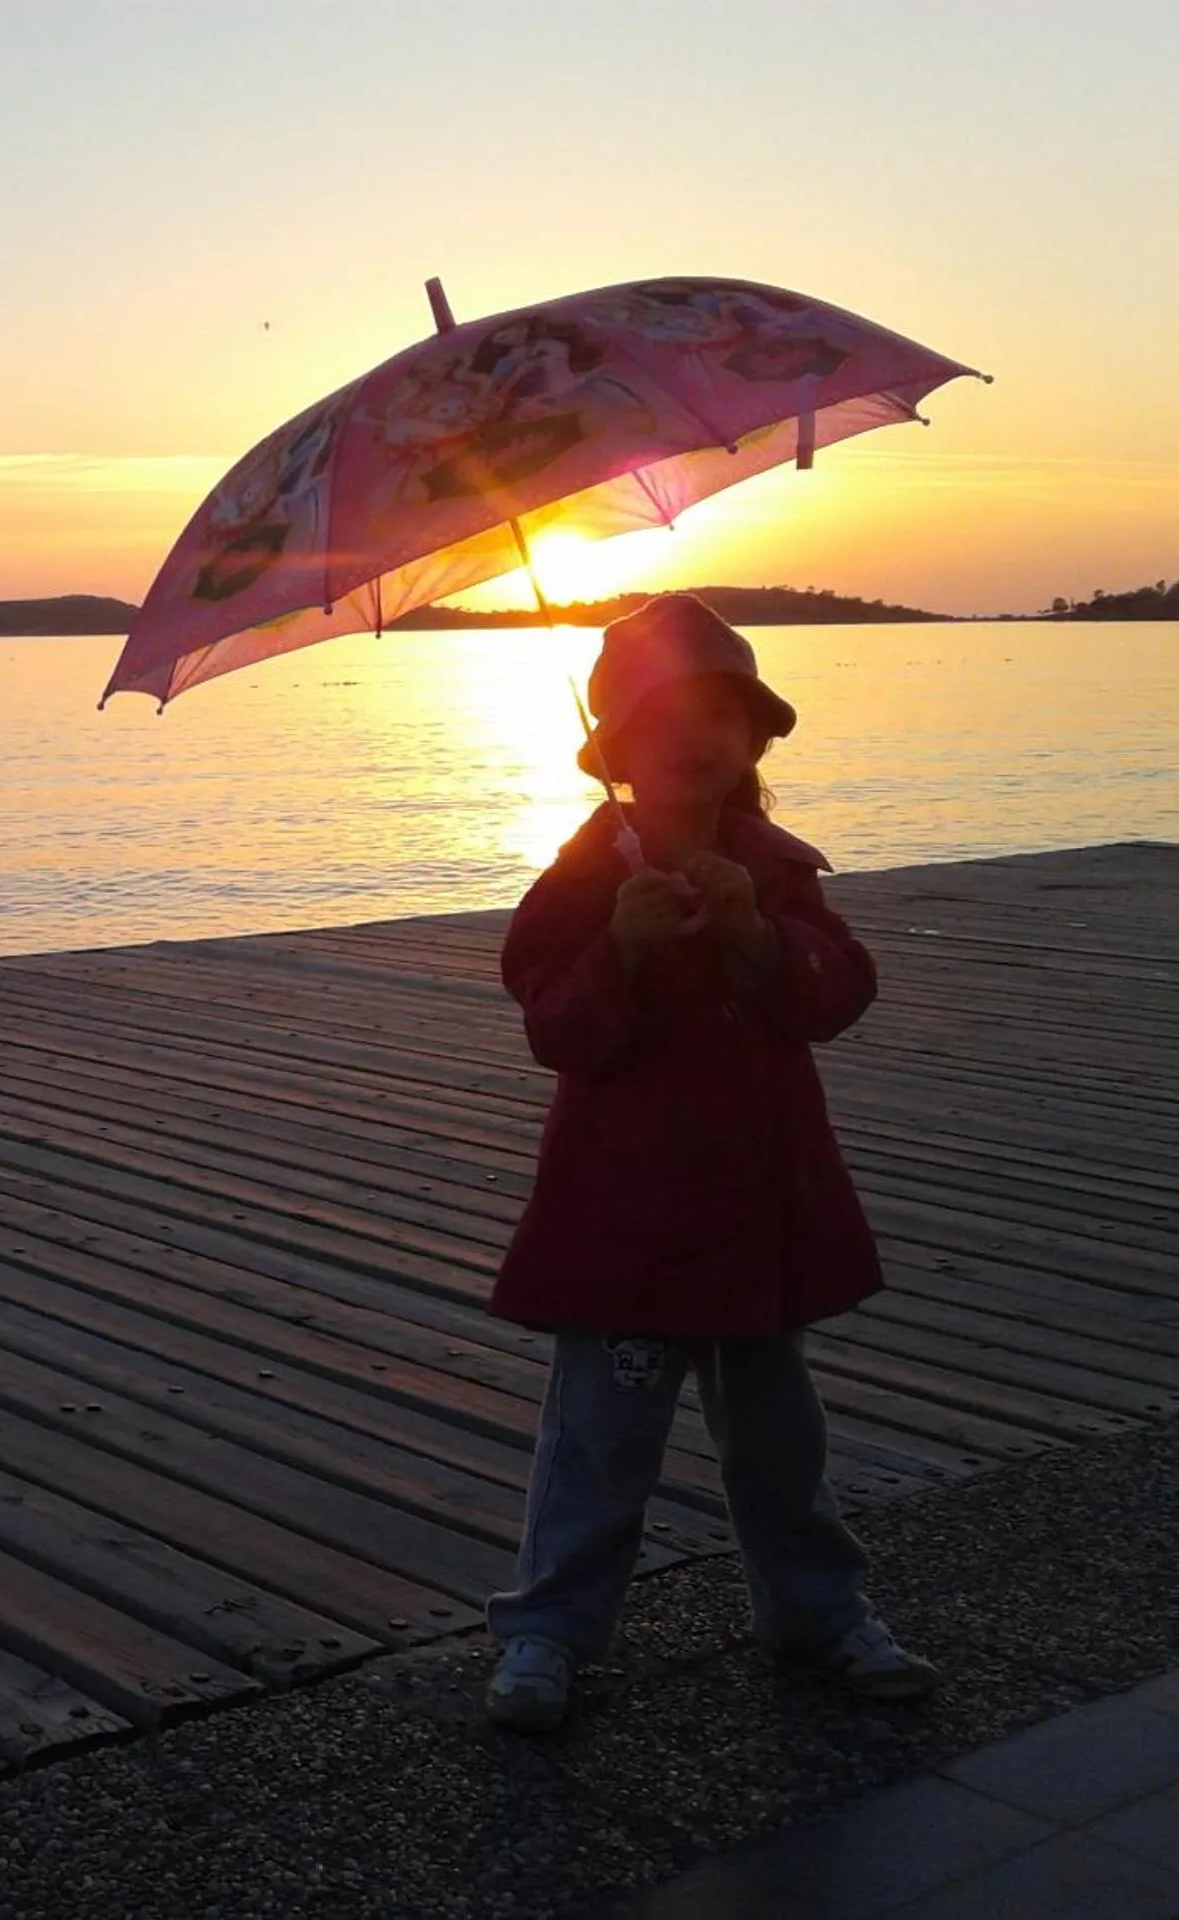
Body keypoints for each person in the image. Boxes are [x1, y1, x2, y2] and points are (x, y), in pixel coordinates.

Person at [482, 594, 939, 1735]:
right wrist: (621, 952)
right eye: (662, 713)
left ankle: (817, 1611)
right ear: (616, 747)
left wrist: (755, 937)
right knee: (599, 1443)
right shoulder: (581, 886)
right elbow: (557, 1033)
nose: (694, 736)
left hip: (759, 1221)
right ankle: (547, 1628)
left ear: (753, 743)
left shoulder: (778, 874)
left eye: (722, 717)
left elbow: (835, 995)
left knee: (780, 1444)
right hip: (625, 1229)